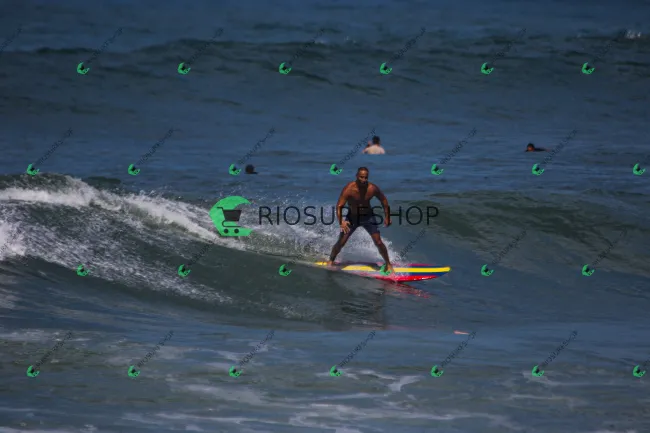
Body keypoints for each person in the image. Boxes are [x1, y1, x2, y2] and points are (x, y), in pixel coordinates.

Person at [326, 167, 394, 274]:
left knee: (378, 241)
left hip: (368, 217)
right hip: (352, 218)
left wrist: (387, 217)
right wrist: (341, 222)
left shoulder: (372, 188)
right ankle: (331, 261)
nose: (363, 180)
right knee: (341, 242)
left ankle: (388, 264)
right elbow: (339, 206)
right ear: (357, 176)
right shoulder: (349, 189)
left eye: (366, 177)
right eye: (361, 177)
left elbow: (384, 200)